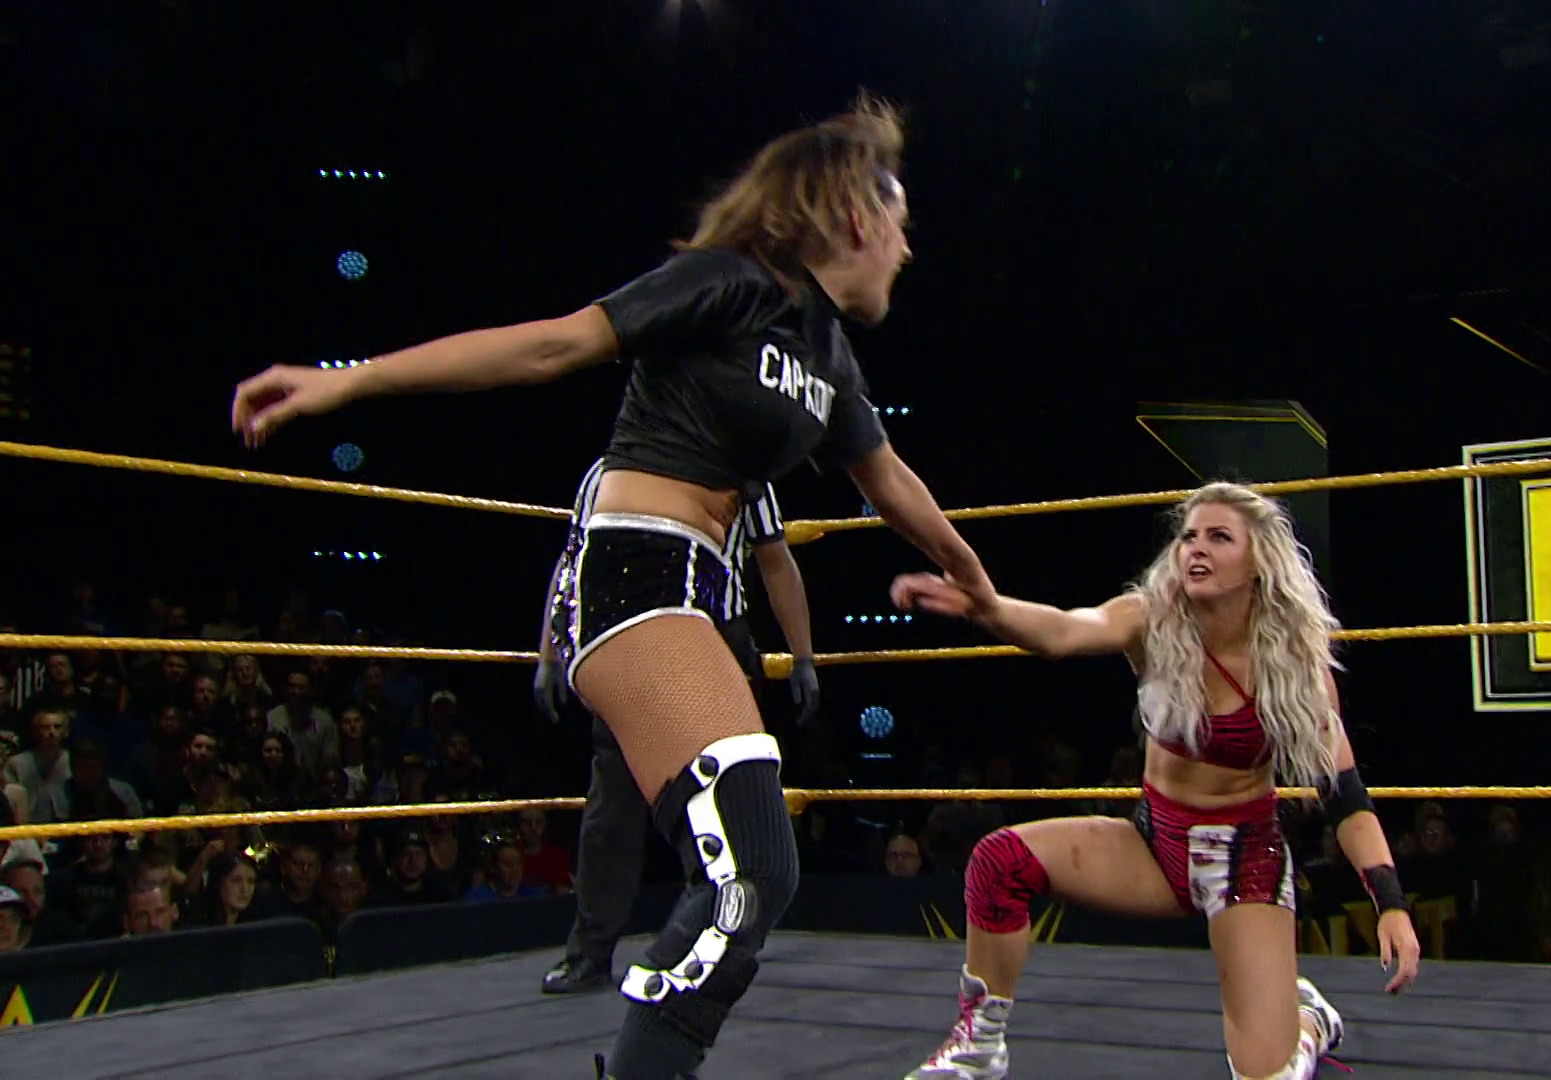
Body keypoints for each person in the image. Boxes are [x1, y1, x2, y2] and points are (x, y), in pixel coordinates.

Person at [229, 92, 996, 1080]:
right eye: (901, 221)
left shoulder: (829, 356)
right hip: (636, 571)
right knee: (750, 870)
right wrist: (350, 377)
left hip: (703, 593)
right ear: (856, 215)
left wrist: (978, 581)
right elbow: (553, 344)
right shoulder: (729, 283)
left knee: (751, 871)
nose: (908, 246)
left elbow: (888, 482)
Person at [889, 482, 1419, 1080]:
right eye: (1189, 536)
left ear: (1258, 561)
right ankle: (978, 1047)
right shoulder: (1152, 620)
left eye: (1219, 537)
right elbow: (1065, 630)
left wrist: (1390, 903)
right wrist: (986, 606)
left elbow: (1343, 793)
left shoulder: (1296, 667)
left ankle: (1308, 1021)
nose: (1197, 548)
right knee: (999, 861)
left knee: (1267, 1075)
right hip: (1155, 844)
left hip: (1244, 863)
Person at [536, 457, 822, 995]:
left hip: (714, 640)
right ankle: (590, 954)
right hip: (628, 641)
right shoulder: (606, 473)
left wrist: (802, 655)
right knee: (613, 806)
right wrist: (549, 654)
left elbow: (775, 561)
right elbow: (575, 558)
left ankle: (715, 944)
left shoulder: (738, 467)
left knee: (723, 804)